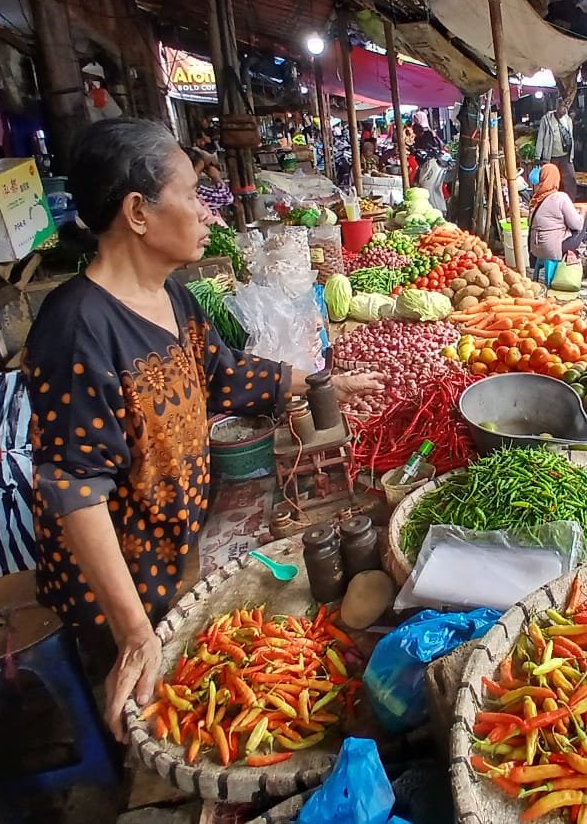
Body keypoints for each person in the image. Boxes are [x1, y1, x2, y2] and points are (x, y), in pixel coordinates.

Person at [24, 119, 381, 740]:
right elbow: (74, 488)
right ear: (138, 212)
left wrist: (323, 382)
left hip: (174, 550)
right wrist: (133, 631)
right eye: (191, 195)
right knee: (158, 720)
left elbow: (222, 374)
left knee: (205, 696)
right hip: (119, 587)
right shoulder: (76, 329)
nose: (206, 213)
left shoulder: (172, 297)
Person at [528, 163, 586, 282]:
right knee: (584, 219)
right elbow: (577, 224)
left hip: (535, 248)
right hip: (551, 249)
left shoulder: (536, 198)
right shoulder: (560, 197)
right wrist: (583, 212)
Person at [536, 97, 577, 199]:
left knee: (570, 179)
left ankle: (570, 201)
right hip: (552, 157)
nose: (565, 110)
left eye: (566, 107)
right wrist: (538, 156)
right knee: (552, 181)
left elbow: (570, 137)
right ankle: (551, 200)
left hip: (565, 156)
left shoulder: (568, 120)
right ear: (557, 106)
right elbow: (540, 137)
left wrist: (571, 155)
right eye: (563, 106)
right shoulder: (546, 119)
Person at [185, 146, 232, 223]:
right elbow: (227, 198)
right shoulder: (195, 193)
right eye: (199, 171)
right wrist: (216, 177)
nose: (200, 175)